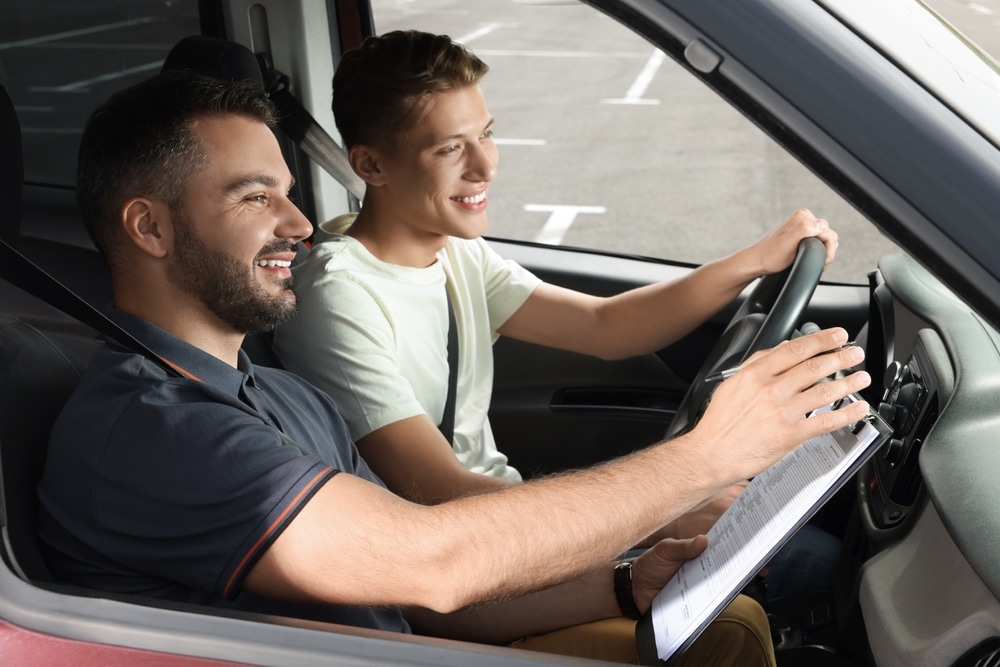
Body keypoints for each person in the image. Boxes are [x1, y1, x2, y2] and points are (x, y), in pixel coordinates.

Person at [36, 69, 870, 666]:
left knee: (730, 630)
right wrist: (705, 458)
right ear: (148, 228)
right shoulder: (152, 429)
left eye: (289, 192)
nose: (298, 221)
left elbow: (414, 600)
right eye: (255, 197)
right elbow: (433, 562)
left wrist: (620, 587)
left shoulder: (276, 394)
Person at [271, 29, 842, 593]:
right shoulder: (337, 297)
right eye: (450, 148)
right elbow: (444, 493)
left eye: (487, 134)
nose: (485, 166)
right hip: (468, 567)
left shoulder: (456, 251)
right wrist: (664, 509)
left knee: (796, 544)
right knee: (822, 569)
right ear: (371, 166)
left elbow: (607, 327)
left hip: (510, 530)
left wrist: (753, 261)